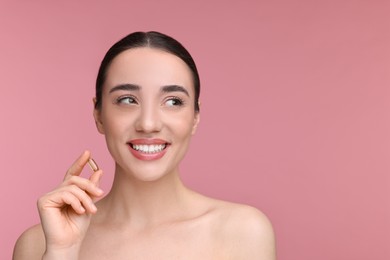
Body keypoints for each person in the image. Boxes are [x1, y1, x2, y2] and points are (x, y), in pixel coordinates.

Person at [13, 31, 276, 259]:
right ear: (98, 115)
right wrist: (62, 253)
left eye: (173, 101)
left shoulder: (242, 232)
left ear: (195, 117)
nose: (148, 124)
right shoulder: (39, 244)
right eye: (127, 100)